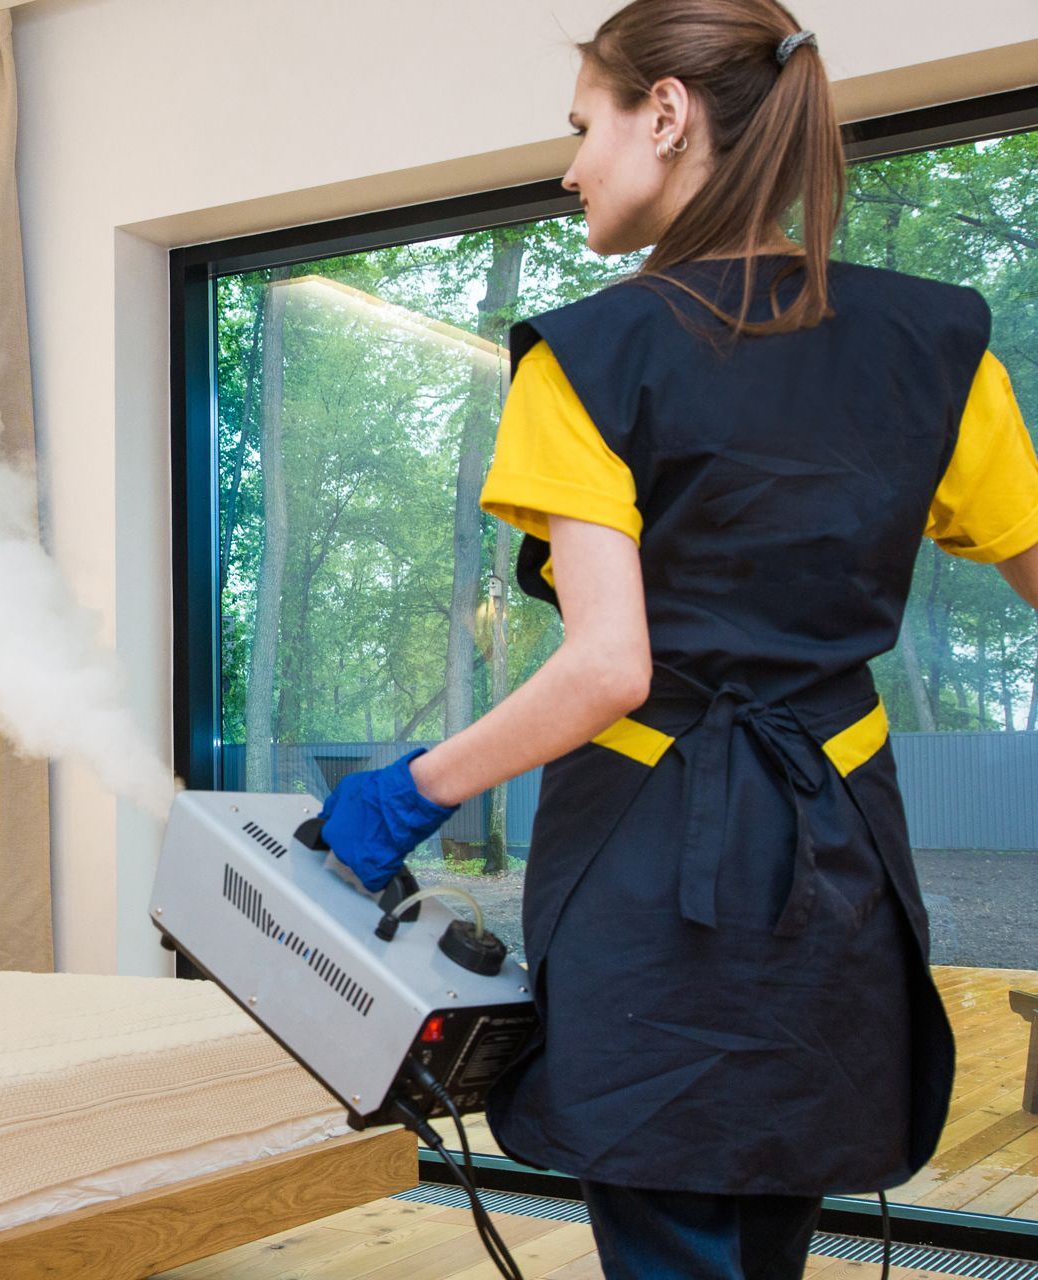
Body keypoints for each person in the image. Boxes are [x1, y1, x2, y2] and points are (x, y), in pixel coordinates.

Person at [313, 1, 1038, 1275]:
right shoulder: (941, 345)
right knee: (767, 1231)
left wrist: (407, 793)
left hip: (652, 871)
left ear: (665, 113)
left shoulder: (587, 358)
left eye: (580, 126)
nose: (570, 168)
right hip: (838, 858)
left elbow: (611, 665)